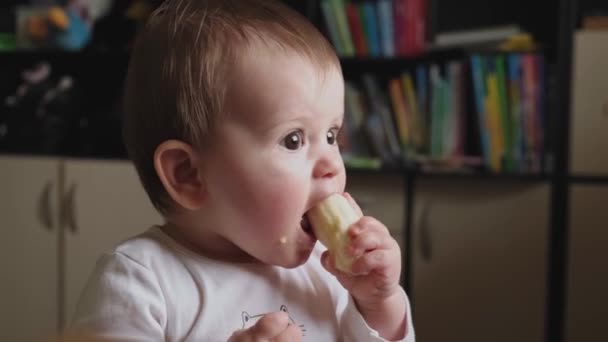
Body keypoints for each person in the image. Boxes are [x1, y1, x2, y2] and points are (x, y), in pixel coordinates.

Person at [71, 0, 416, 340]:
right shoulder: (141, 283)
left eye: (331, 135)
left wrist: (380, 304)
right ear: (189, 175)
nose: (331, 165)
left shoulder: (328, 275)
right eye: (293, 140)